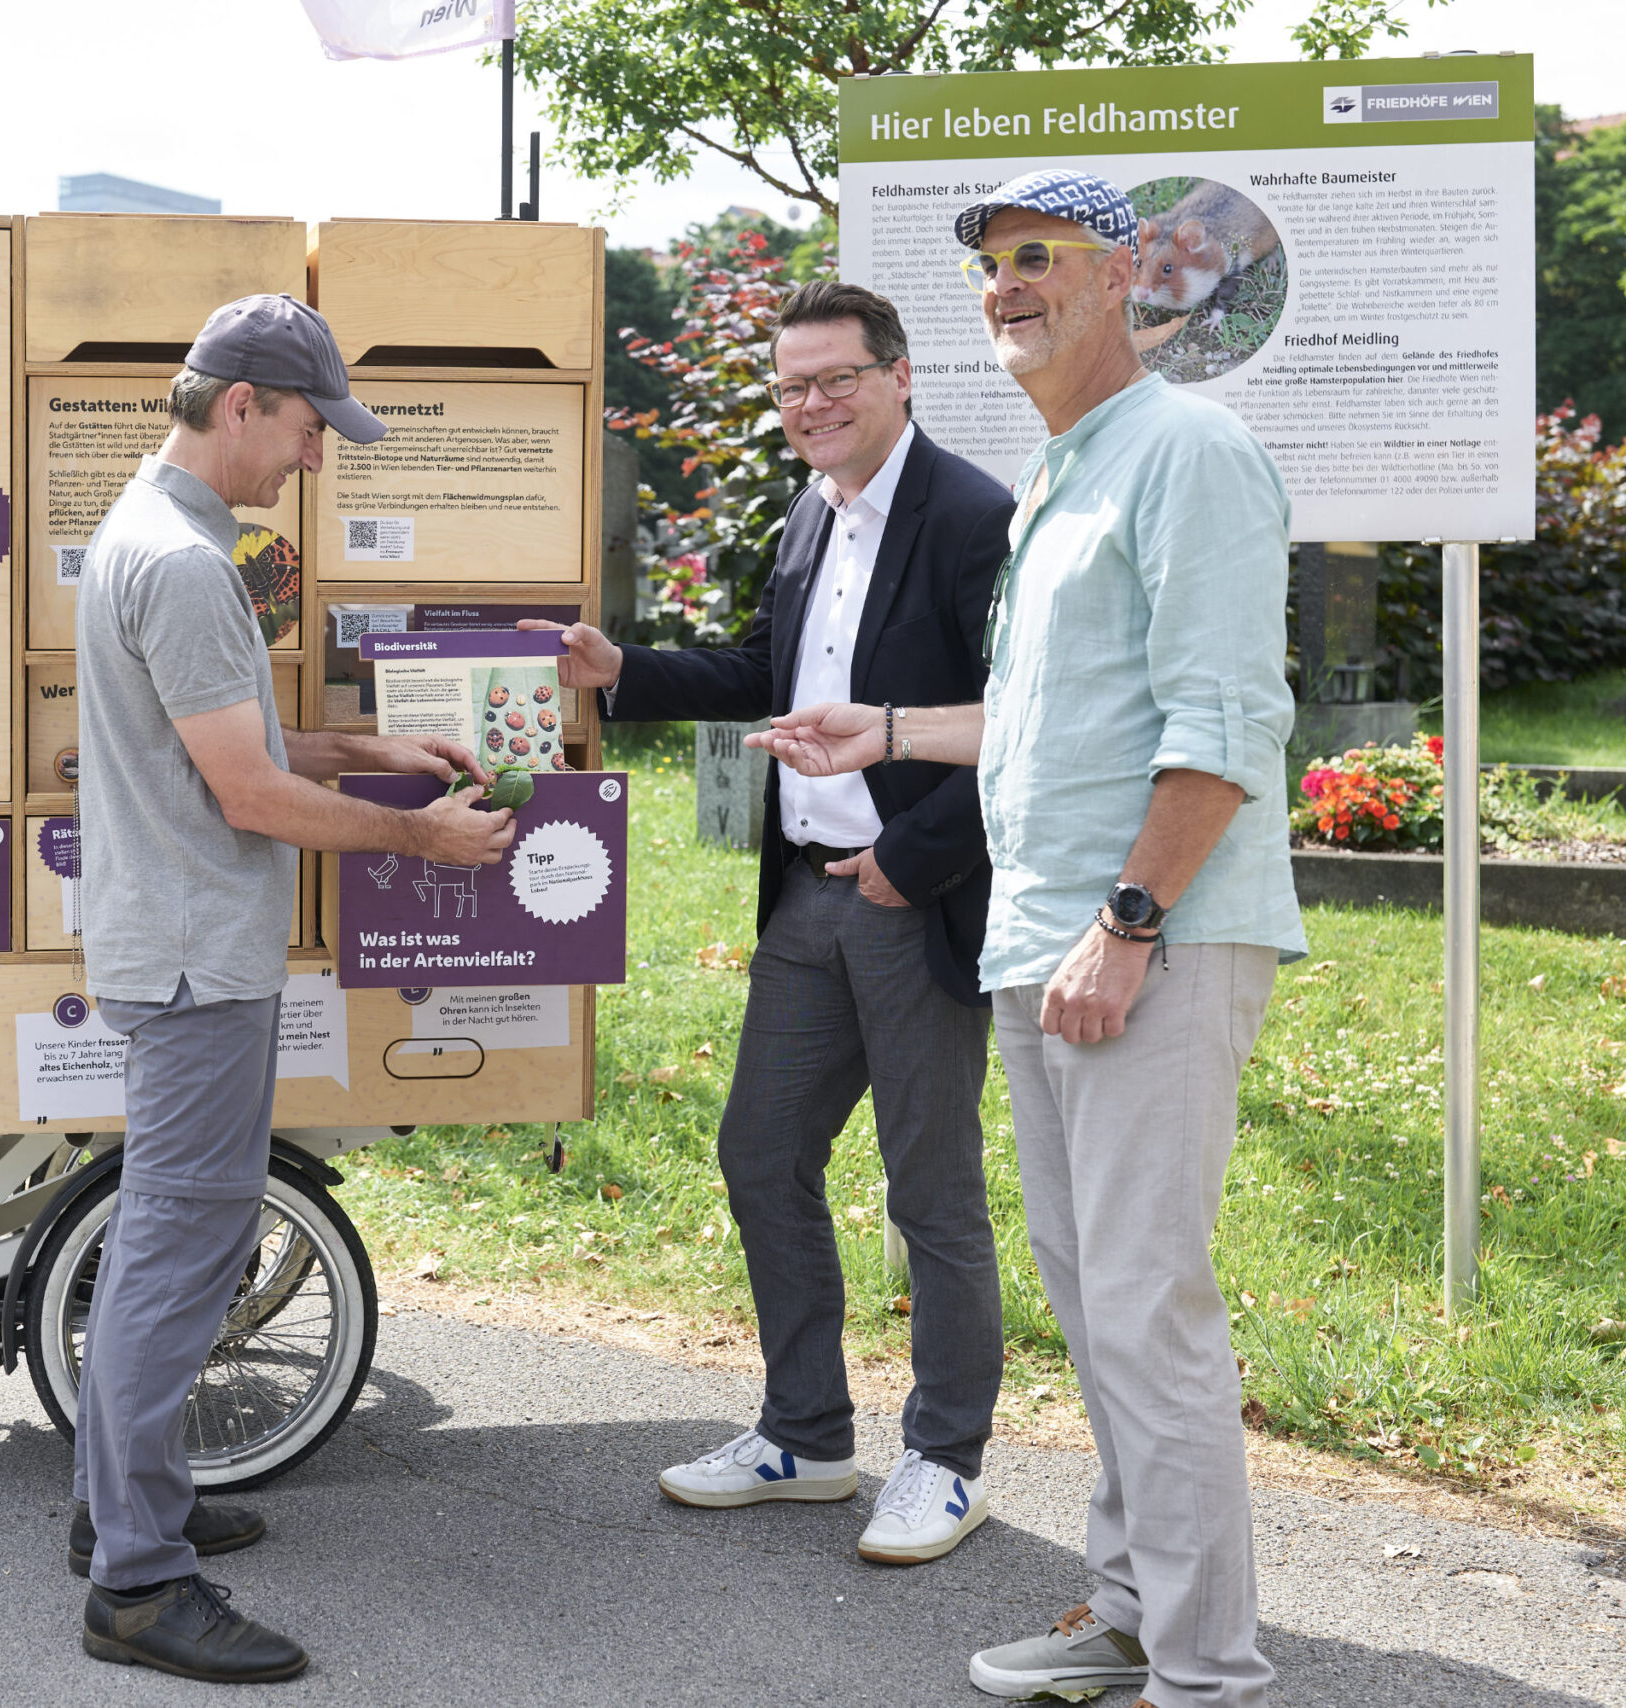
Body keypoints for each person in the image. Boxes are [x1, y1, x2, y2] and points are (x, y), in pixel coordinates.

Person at [766, 170, 1304, 1708]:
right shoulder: (1071, 464)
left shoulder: (1185, 451)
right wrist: (873, 728)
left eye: (1037, 258)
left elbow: (1223, 722)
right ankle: (1129, 1611)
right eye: (991, 266)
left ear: (1125, 272)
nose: (1006, 285)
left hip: (1146, 943)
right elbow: (1043, 722)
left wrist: (1130, 922)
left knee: (1146, 1308)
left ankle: (1207, 1670)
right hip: (1045, 947)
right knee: (1099, 1310)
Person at [525, 280, 1013, 1564]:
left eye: (833, 379)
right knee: (760, 1153)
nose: (809, 405)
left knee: (932, 1193)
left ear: (899, 375)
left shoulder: (971, 517)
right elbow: (766, 671)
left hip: (912, 898)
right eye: (790, 387)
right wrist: (622, 670)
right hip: (805, 894)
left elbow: (1026, 722)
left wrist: (914, 858)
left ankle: (945, 1459)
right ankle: (805, 1435)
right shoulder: (809, 514)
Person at [70, 292, 517, 1684]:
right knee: (176, 1254)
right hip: (201, 955)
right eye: (313, 429)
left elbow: (233, 743)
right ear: (246, 402)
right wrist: (421, 836)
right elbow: (247, 795)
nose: (316, 460)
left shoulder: (154, 531)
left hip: (177, 940)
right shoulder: (191, 565)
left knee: (168, 1245)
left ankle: (115, 1512)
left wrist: (369, 753)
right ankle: (139, 1584)